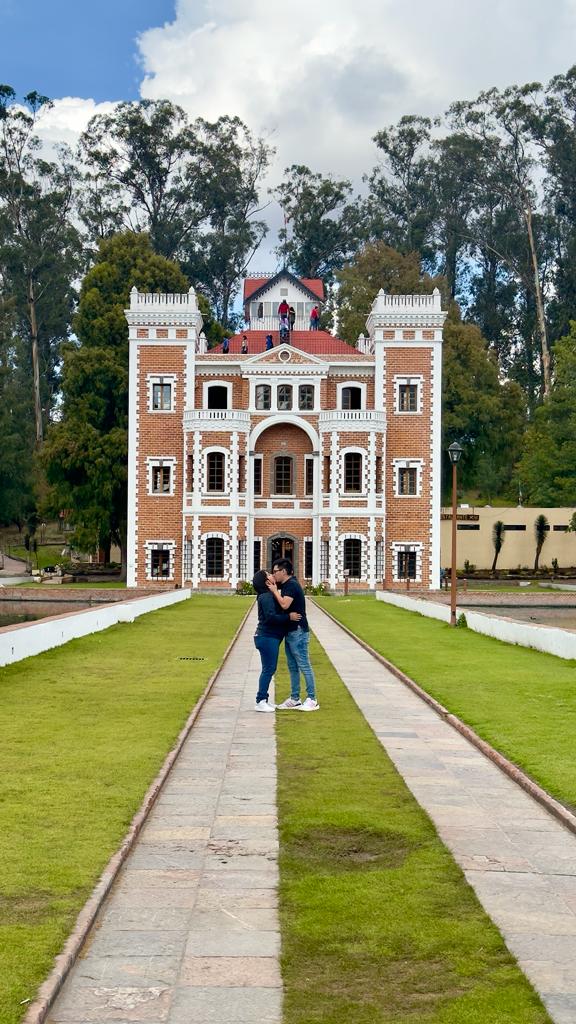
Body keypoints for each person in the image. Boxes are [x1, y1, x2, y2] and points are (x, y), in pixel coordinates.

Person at [267, 558, 319, 711]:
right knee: (292, 666)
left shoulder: (291, 585)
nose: (274, 574)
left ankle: (312, 699)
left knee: (304, 664)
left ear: (283, 571)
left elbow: (285, 604)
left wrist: (274, 591)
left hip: (298, 631)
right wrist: (272, 583)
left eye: (275, 571)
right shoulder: (286, 584)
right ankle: (295, 698)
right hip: (290, 631)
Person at [252, 569, 300, 712]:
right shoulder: (266, 597)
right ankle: (260, 700)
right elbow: (271, 617)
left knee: (269, 668)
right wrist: (288, 617)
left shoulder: (269, 594)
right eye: (269, 574)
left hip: (269, 637)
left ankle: (264, 699)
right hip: (267, 637)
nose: (273, 575)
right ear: (267, 582)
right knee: (269, 669)